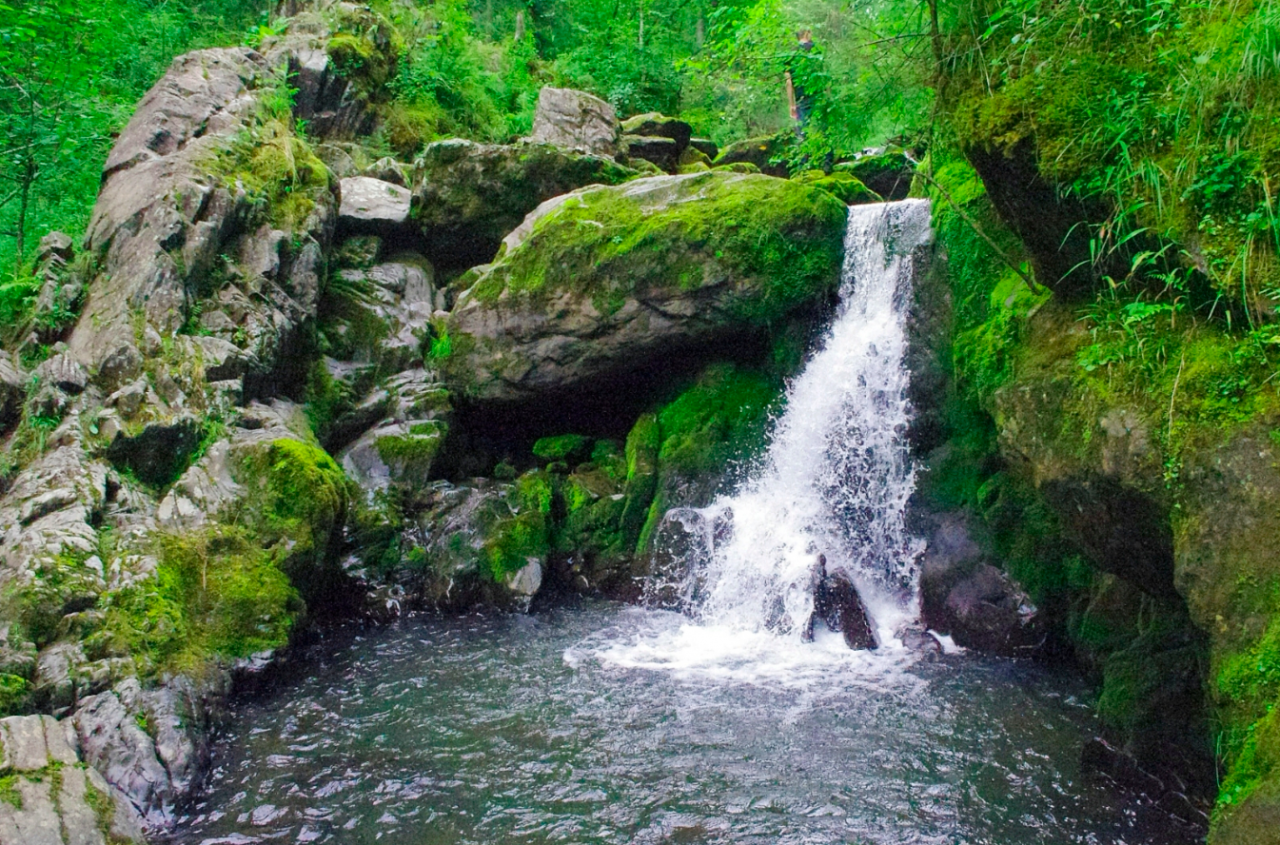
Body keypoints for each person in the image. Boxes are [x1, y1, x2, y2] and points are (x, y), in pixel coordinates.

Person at [784, 30, 818, 137]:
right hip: (818, 96)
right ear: (807, 33)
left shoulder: (791, 54)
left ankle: (804, 144)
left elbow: (788, 82)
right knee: (820, 130)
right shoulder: (816, 50)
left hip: (801, 98)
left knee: (803, 131)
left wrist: (792, 105)